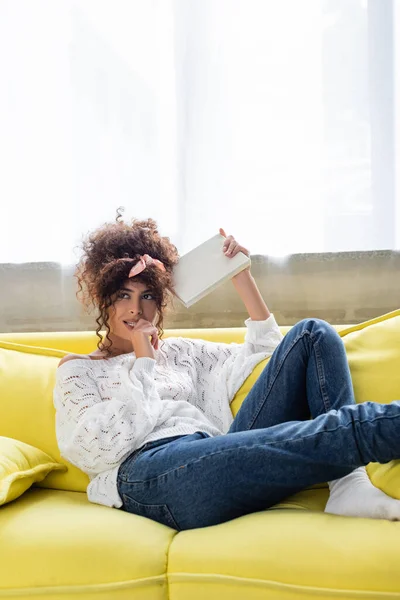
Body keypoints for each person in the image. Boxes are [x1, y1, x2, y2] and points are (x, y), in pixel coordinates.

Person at [53, 208, 400, 531]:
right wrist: (143, 362)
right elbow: (95, 448)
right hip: (150, 474)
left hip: (218, 454)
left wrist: (242, 276)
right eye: (123, 295)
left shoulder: (182, 352)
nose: (136, 309)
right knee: (265, 446)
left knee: (313, 333)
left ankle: (348, 484)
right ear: (104, 300)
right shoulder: (78, 371)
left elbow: (270, 357)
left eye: (147, 297)